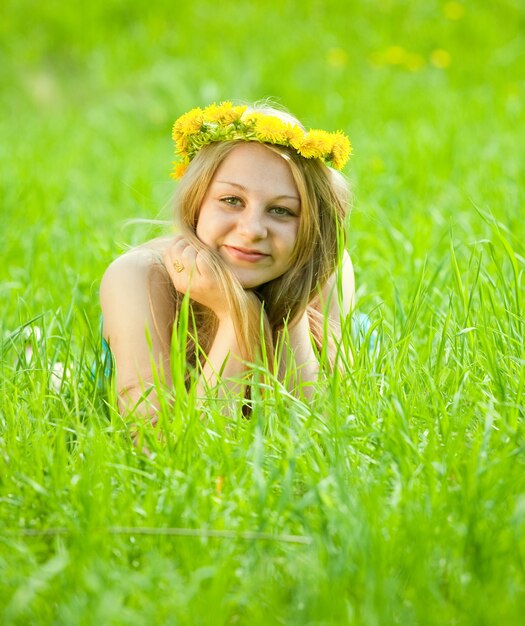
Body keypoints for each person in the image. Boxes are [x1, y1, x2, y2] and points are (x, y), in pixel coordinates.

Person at [100, 100, 355, 428]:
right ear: (196, 205)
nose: (251, 231)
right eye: (232, 201)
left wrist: (291, 309)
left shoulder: (325, 270)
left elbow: (310, 435)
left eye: (281, 210)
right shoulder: (139, 277)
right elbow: (157, 448)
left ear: (311, 227)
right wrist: (235, 317)